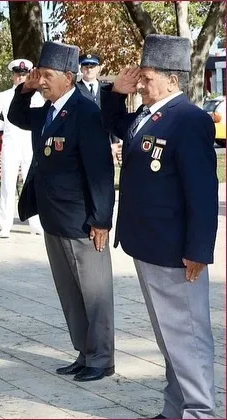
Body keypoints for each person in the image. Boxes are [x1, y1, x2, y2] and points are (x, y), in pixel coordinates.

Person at [101, 34, 218, 419]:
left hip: (175, 251)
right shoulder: (147, 115)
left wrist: (199, 250)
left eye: (146, 77)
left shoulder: (189, 119)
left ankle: (199, 411)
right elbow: (115, 122)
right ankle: (175, 408)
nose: (140, 83)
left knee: (188, 336)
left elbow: (202, 192)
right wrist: (115, 92)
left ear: (172, 78)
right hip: (147, 244)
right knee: (170, 336)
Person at [8, 41, 116, 382]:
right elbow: (16, 115)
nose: (42, 82)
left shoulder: (87, 113)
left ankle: (102, 357)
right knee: (70, 293)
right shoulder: (46, 112)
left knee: (94, 293)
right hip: (53, 218)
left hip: (83, 221)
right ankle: (84, 353)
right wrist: (24, 88)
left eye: (47, 76)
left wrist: (101, 219)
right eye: (40, 76)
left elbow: (101, 172)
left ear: (69, 77)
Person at [0, 58, 45, 238]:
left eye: (24, 75)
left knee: (31, 183)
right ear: (13, 76)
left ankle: (35, 222)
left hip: (29, 144)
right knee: (8, 185)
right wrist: (7, 126)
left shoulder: (36, 96)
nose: (21, 78)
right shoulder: (4, 96)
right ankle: (5, 225)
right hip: (11, 145)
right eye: (18, 75)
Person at [76, 54, 122, 164]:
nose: (89, 69)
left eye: (92, 66)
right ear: (81, 69)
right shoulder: (74, 89)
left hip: (105, 142)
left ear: (98, 68)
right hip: (81, 143)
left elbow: (113, 115)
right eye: (86, 66)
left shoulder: (108, 89)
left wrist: (115, 142)